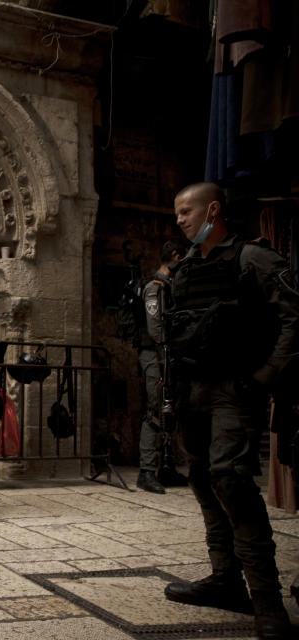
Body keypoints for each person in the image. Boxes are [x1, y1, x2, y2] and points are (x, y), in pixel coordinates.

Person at [162, 182, 297, 639]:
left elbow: (293, 317)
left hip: (235, 390)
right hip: (193, 388)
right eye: (177, 213)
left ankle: (268, 602)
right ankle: (225, 580)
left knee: (232, 481)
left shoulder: (253, 259)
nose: (179, 220)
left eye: (186, 211)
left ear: (212, 210)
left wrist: (266, 375)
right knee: (202, 478)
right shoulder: (184, 271)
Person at [136, 240, 185, 493]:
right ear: (175, 256)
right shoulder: (154, 288)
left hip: (166, 355)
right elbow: (156, 329)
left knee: (169, 408)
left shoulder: (169, 286)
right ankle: (146, 472)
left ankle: (167, 467)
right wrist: (167, 352)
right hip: (155, 355)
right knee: (155, 410)